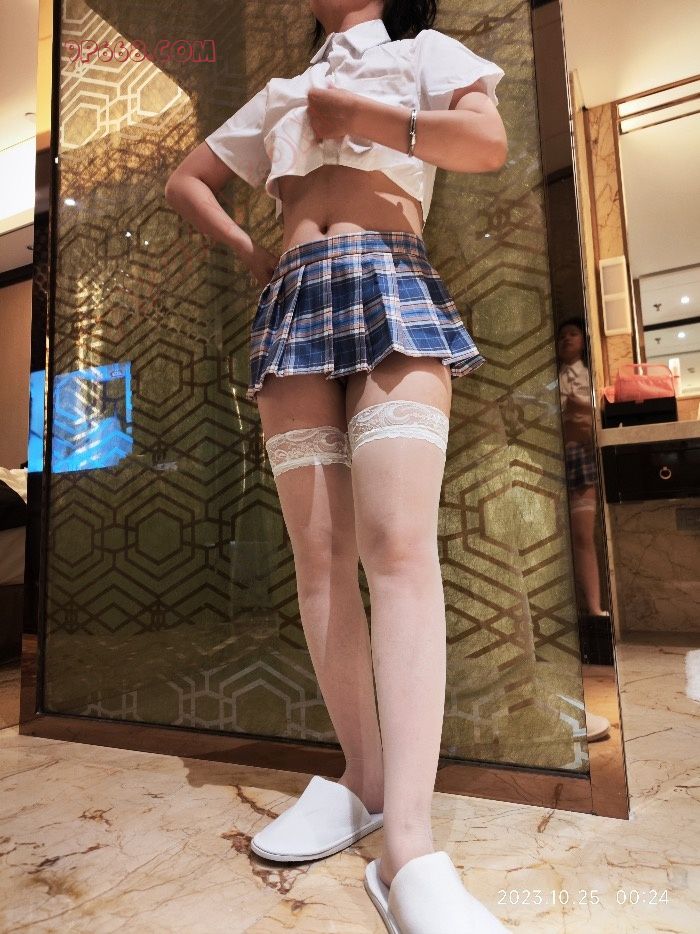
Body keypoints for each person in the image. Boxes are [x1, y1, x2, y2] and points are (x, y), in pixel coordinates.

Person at [165, 2, 508, 930]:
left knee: (399, 549)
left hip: (391, 274)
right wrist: (250, 249)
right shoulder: (283, 90)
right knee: (319, 559)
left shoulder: (423, 51)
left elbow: (486, 144)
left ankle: (409, 846)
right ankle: (361, 780)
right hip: (292, 300)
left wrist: (361, 115)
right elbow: (186, 180)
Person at [557, 318, 611, 744]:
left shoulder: (587, 377)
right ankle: (586, 608)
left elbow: (584, 419)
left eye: (573, 333)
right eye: (562, 335)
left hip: (579, 457)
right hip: (558, 454)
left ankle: (594, 610)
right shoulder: (554, 376)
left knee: (582, 537)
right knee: (567, 541)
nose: (566, 339)